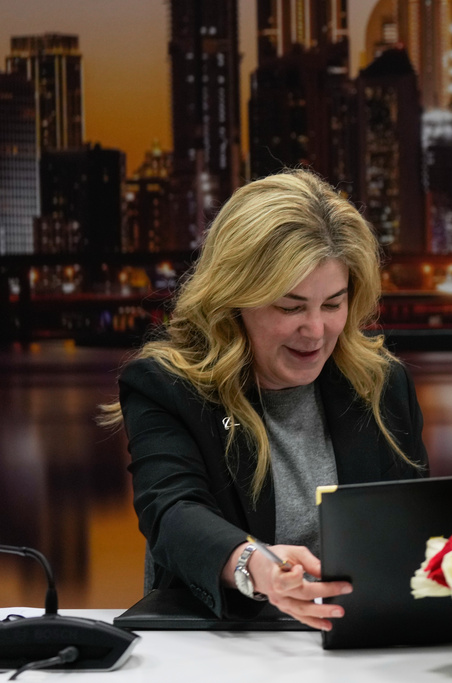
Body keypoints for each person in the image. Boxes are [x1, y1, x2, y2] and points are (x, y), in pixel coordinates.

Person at [100, 169, 429, 630]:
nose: (315, 331)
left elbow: (417, 526)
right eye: (290, 307)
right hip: (222, 645)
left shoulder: (382, 385)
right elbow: (172, 512)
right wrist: (254, 566)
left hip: (359, 644)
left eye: (333, 304)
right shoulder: (165, 385)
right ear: (235, 299)